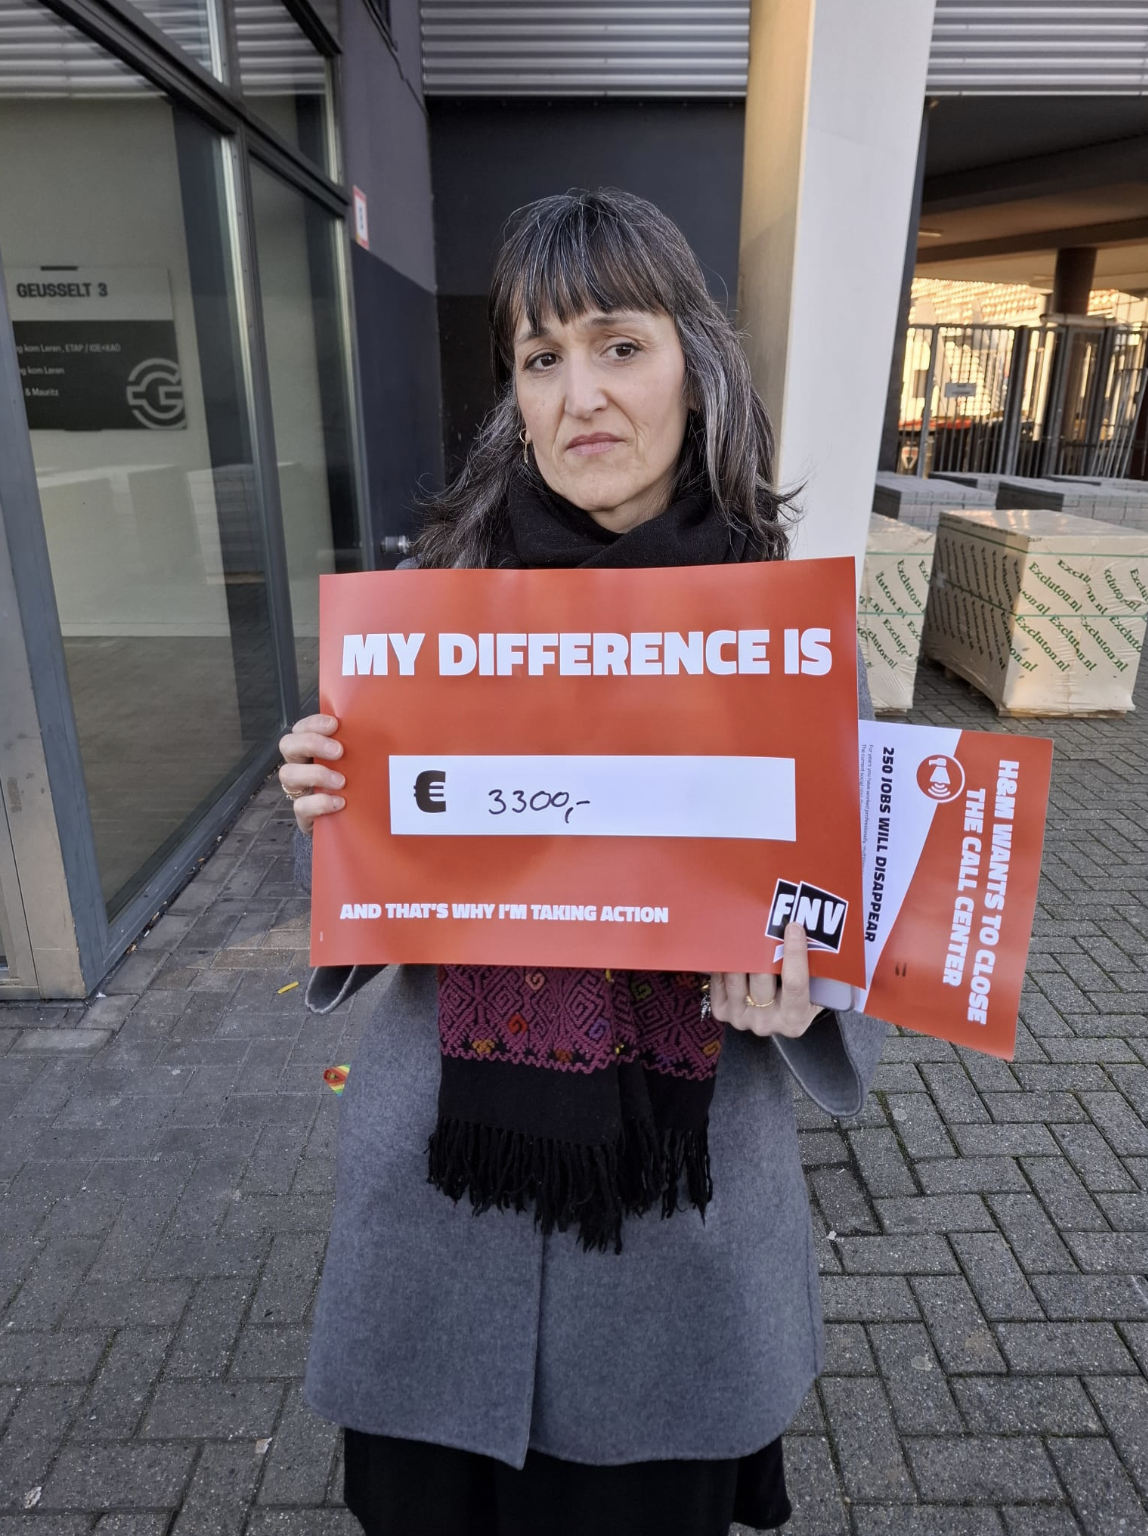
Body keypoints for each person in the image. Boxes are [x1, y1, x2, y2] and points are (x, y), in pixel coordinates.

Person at [279, 188, 885, 1536]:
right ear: (516, 397)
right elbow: (379, 910)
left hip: (674, 1247)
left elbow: (851, 931)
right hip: (439, 1222)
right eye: (542, 357)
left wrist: (810, 988)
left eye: (620, 345)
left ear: (696, 369)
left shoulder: (790, 642)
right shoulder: (427, 621)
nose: (581, 395)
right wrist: (335, 812)